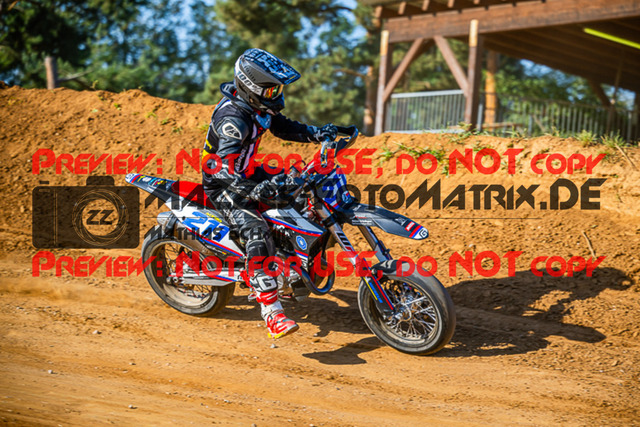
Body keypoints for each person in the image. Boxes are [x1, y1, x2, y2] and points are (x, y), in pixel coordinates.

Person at [201, 48, 337, 339]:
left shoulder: (255, 108)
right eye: (272, 90)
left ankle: (293, 264)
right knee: (257, 231)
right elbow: (220, 169)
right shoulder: (233, 119)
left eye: (278, 89)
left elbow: (281, 126)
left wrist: (318, 133)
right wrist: (253, 190)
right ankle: (272, 312)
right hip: (224, 184)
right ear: (251, 88)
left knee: (300, 188)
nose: (277, 95)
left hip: (247, 172)